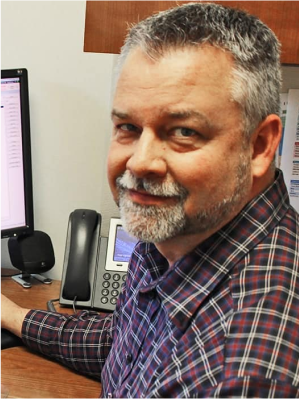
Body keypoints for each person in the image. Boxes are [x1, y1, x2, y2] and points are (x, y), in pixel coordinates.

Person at [0, 3, 299, 398]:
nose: (141, 162)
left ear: (259, 146)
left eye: (183, 132)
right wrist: (15, 316)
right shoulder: (178, 230)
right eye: (128, 126)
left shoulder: (241, 374)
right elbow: (124, 347)